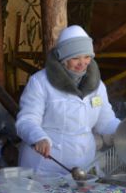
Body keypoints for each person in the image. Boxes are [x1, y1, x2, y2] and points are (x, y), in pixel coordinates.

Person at [16, 25, 120, 174]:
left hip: (83, 165)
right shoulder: (40, 82)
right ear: (62, 58)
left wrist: (125, 130)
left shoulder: (97, 85)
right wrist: (38, 138)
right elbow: (26, 120)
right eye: (75, 58)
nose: (82, 63)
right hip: (46, 165)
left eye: (87, 57)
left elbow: (105, 121)